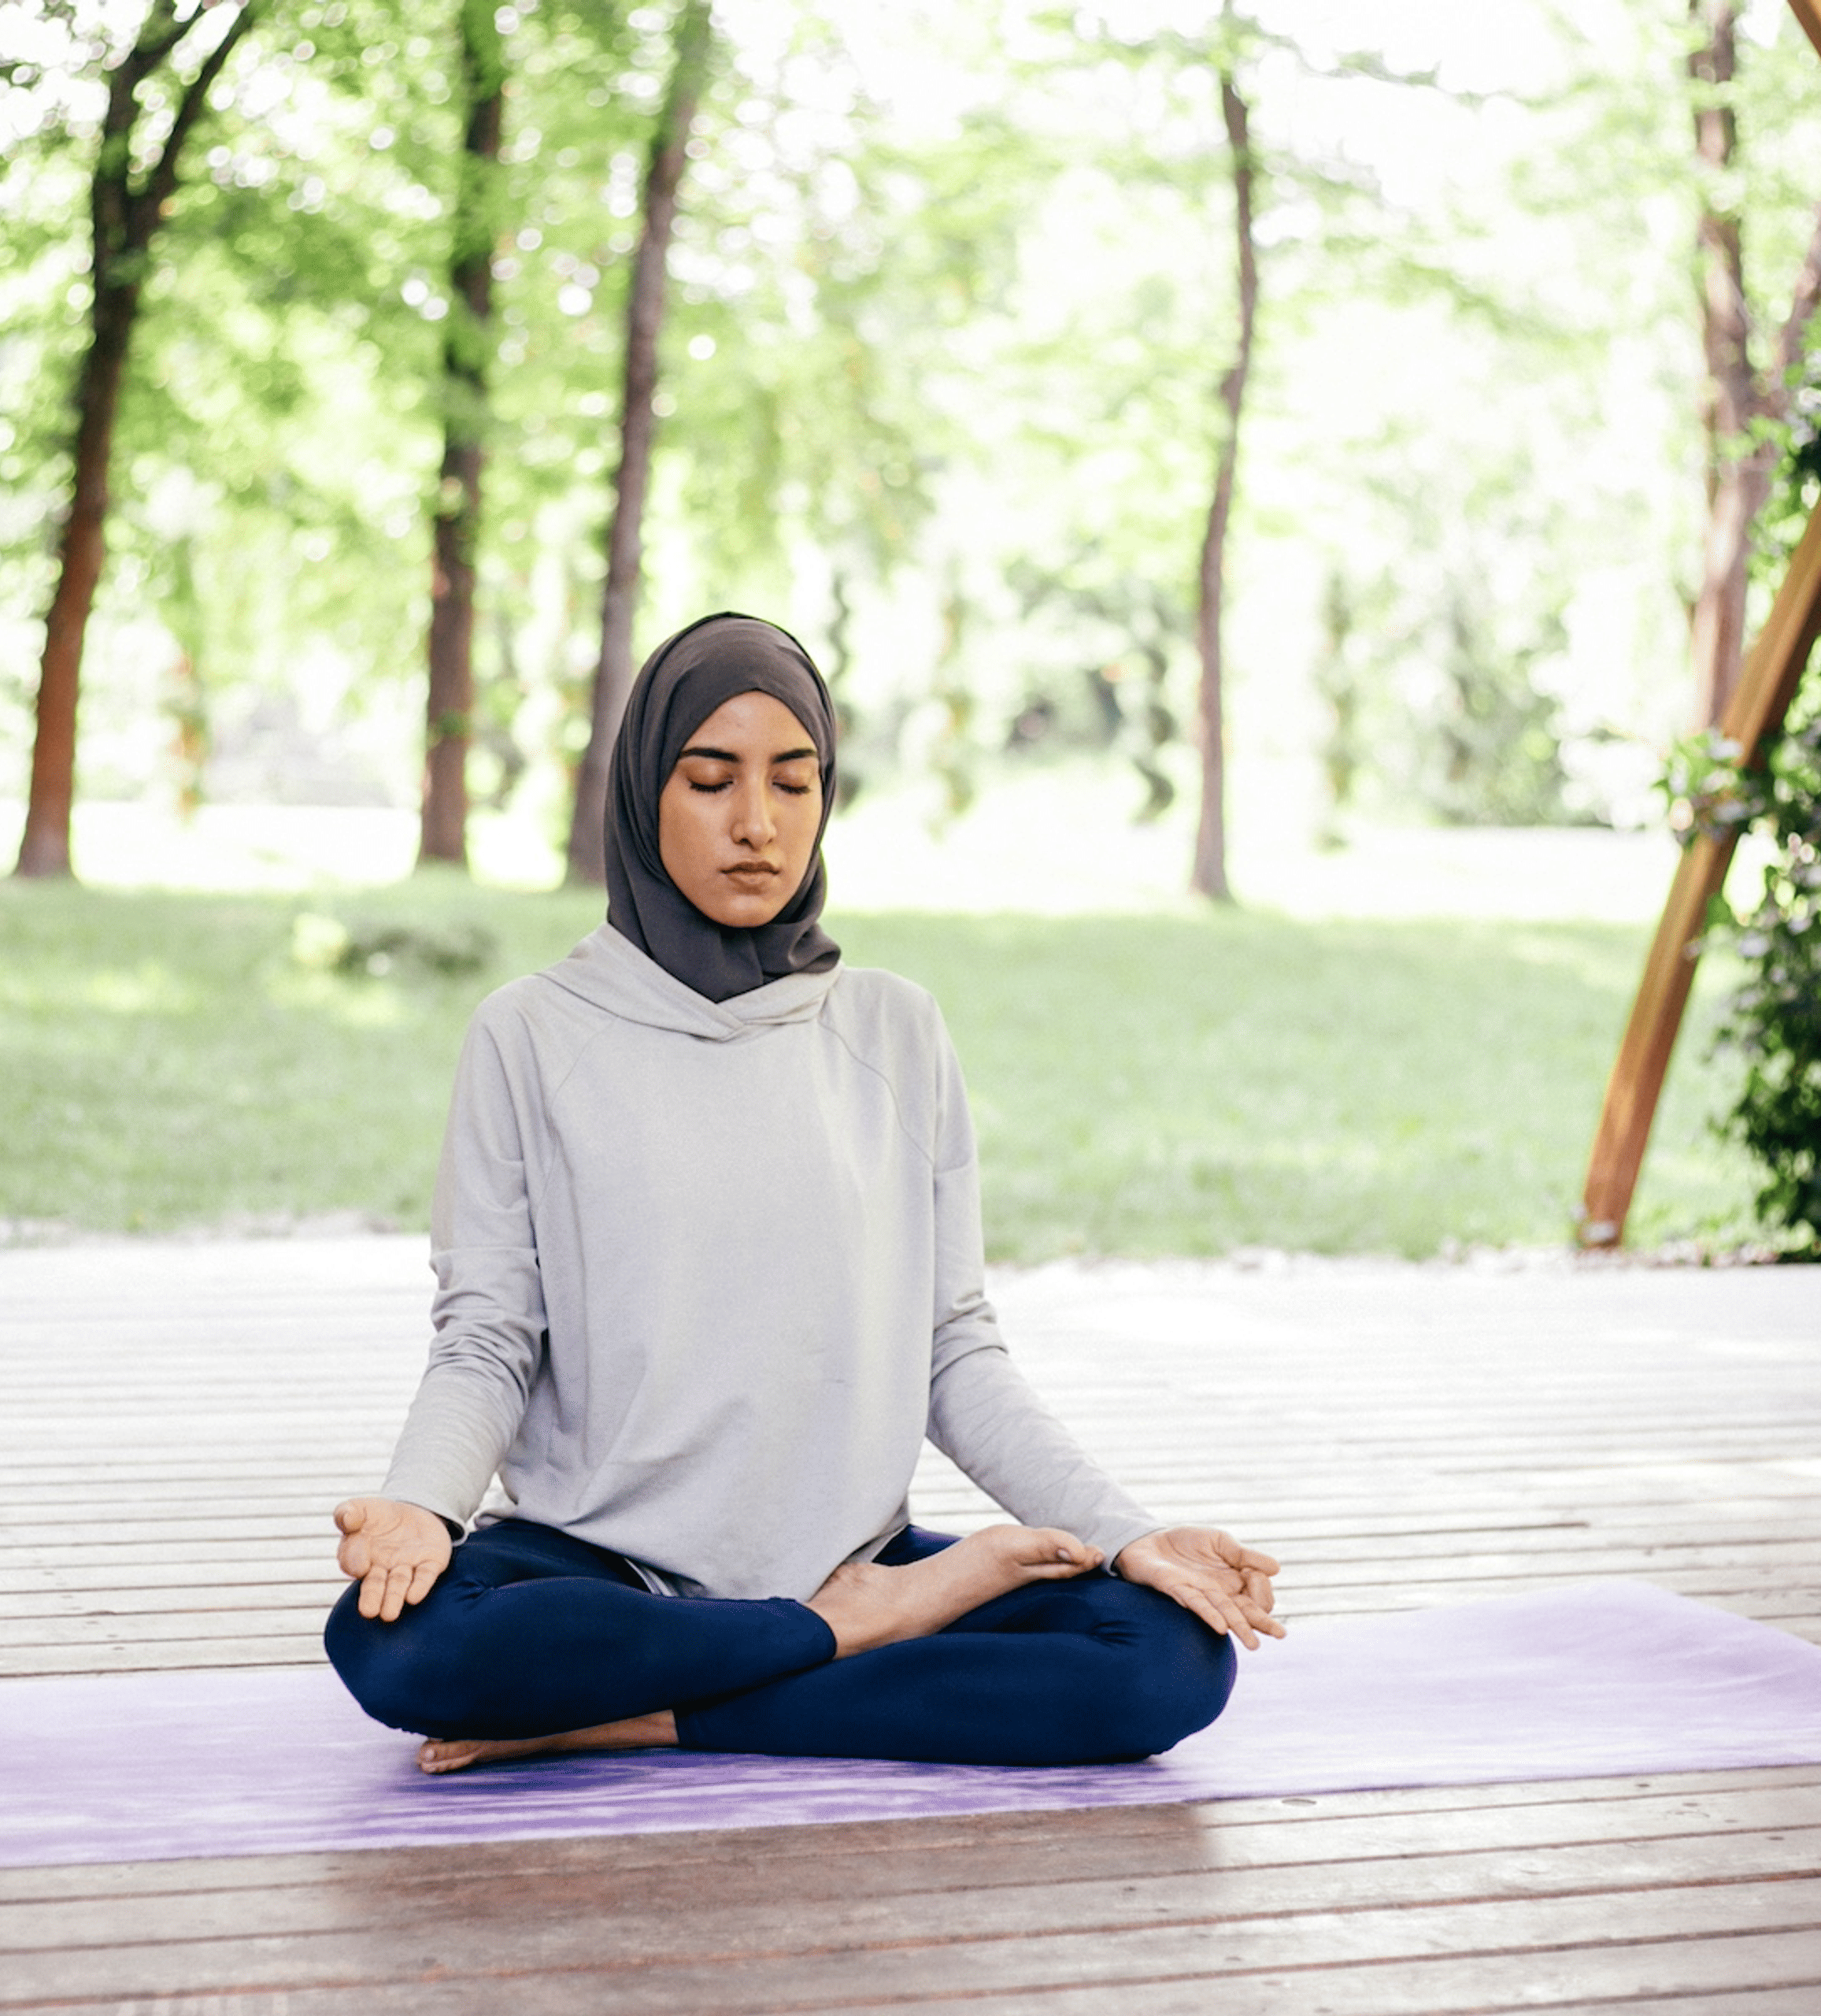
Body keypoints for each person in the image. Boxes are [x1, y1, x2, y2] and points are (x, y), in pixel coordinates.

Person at [325, 612, 1280, 1773]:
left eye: (796, 780)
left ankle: (654, 1709)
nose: (757, 825)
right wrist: (421, 1507)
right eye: (710, 779)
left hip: (853, 1550)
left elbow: (954, 1347)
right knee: (403, 1651)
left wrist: (1128, 1537)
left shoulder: (894, 1029)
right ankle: (843, 1643)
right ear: (642, 794)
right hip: (607, 1567)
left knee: (1164, 1659)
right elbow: (486, 1339)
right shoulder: (531, 1034)